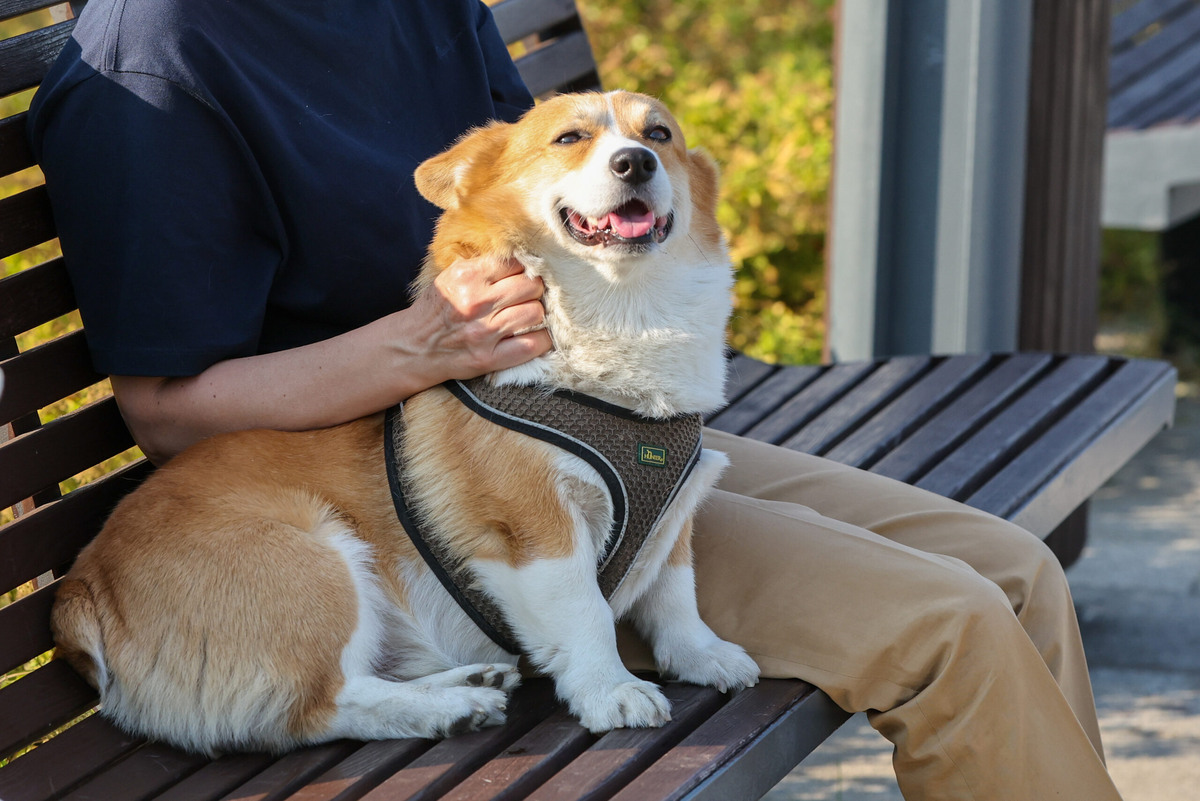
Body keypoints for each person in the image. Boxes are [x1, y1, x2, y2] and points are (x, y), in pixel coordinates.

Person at [29, 1, 1124, 799]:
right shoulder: (156, 62)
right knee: (954, 629)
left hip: (591, 408)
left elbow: (549, 171)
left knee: (1013, 573)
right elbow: (168, 410)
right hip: (438, 505)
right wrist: (418, 347)